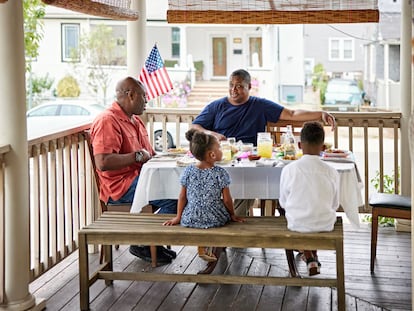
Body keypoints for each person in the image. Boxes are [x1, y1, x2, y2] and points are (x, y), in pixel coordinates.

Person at [191, 68, 336, 216]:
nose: (234, 90)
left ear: (249, 87)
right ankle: (223, 219)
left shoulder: (259, 105)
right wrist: (211, 133)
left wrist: (321, 114)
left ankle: (232, 221)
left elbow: (291, 114)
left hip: (250, 159)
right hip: (222, 160)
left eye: (239, 86)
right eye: (231, 85)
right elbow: (195, 126)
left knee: (248, 183)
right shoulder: (217, 106)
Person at [90, 76, 177, 265]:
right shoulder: (108, 120)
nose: (147, 101)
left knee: (181, 187)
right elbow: (103, 162)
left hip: (141, 178)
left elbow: (150, 155)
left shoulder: (136, 121)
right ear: (130, 95)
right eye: (144, 97)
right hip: (120, 188)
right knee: (176, 195)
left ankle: (153, 242)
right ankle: (144, 242)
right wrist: (137, 156)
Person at [163, 129, 244, 262]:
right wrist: (232, 214)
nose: (221, 150)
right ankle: (210, 248)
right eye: (219, 147)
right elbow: (227, 199)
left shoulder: (188, 171)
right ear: (212, 155)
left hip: (191, 216)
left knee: (201, 223)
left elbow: (182, 197)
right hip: (214, 216)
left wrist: (178, 217)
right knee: (216, 223)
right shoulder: (220, 173)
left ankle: (203, 246)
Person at [279, 121, 340, 276]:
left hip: (297, 224)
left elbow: (283, 202)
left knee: (300, 214)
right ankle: (312, 256)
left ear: (299, 145)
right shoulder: (332, 171)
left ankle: (309, 255)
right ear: (324, 147)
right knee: (317, 211)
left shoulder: (289, 169)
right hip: (325, 224)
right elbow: (335, 204)